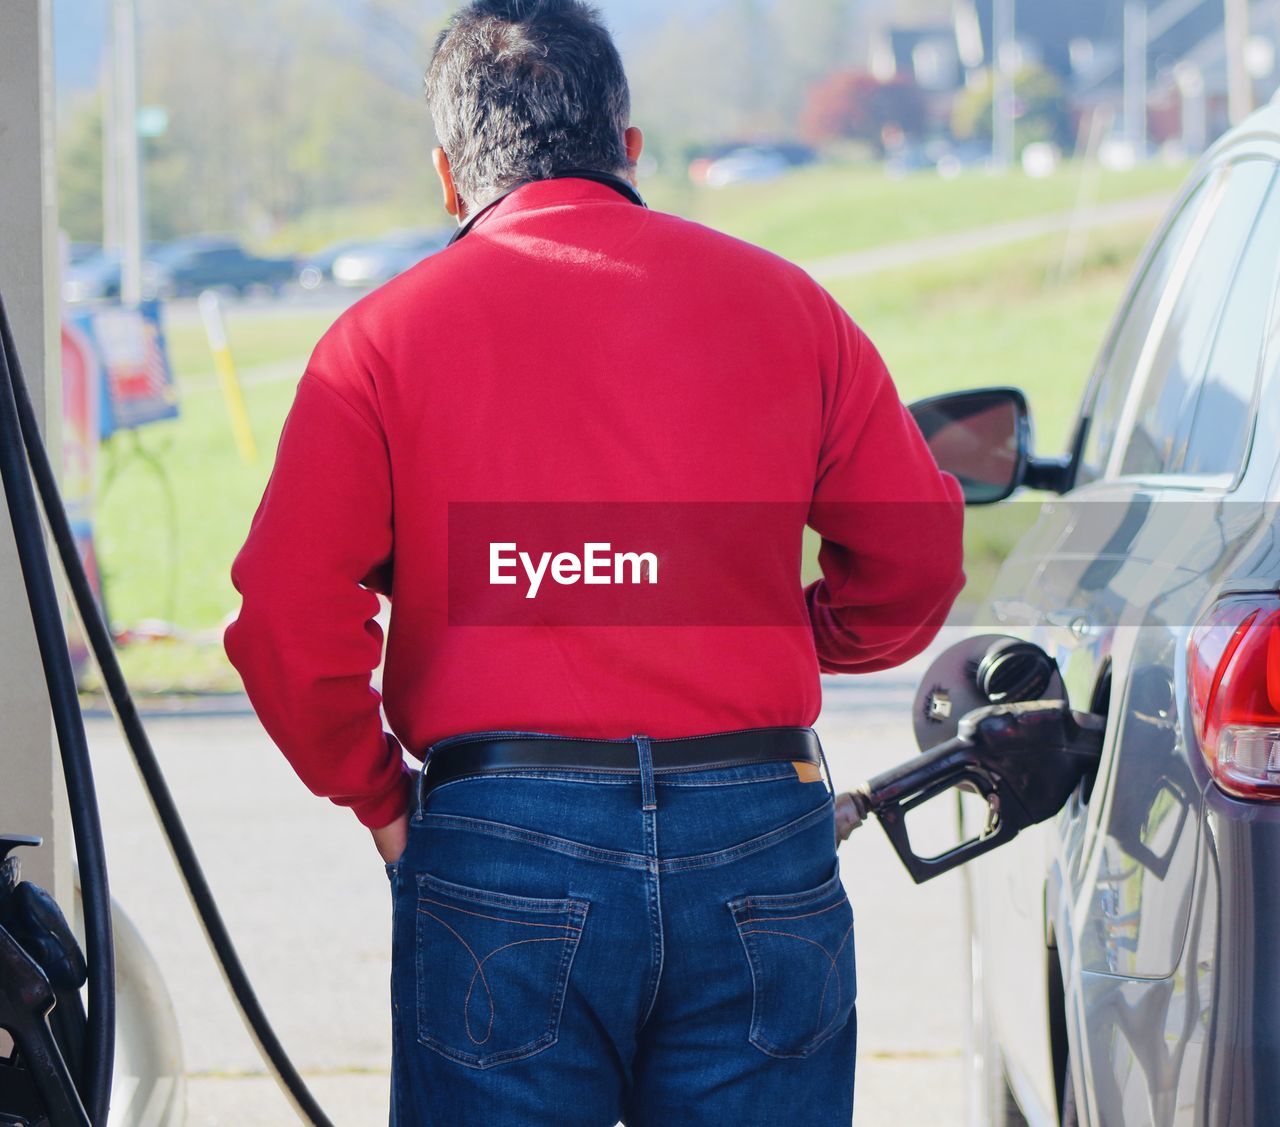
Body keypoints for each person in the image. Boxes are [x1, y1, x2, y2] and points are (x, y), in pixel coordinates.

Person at [224, 1, 965, 1123]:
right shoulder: (790, 308)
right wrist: (779, 624)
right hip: (759, 823)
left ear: (445, 173)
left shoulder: (379, 343)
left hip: (498, 841)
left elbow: (285, 615)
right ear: (626, 147)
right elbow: (914, 554)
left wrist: (377, 794)